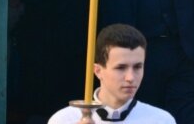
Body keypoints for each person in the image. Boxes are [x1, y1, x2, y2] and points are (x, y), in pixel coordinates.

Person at [48, 24, 176, 123]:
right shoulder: (64, 120)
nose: (130, 78)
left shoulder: (162, 120)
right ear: (98, 71)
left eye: (137, 67)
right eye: (120, 68)